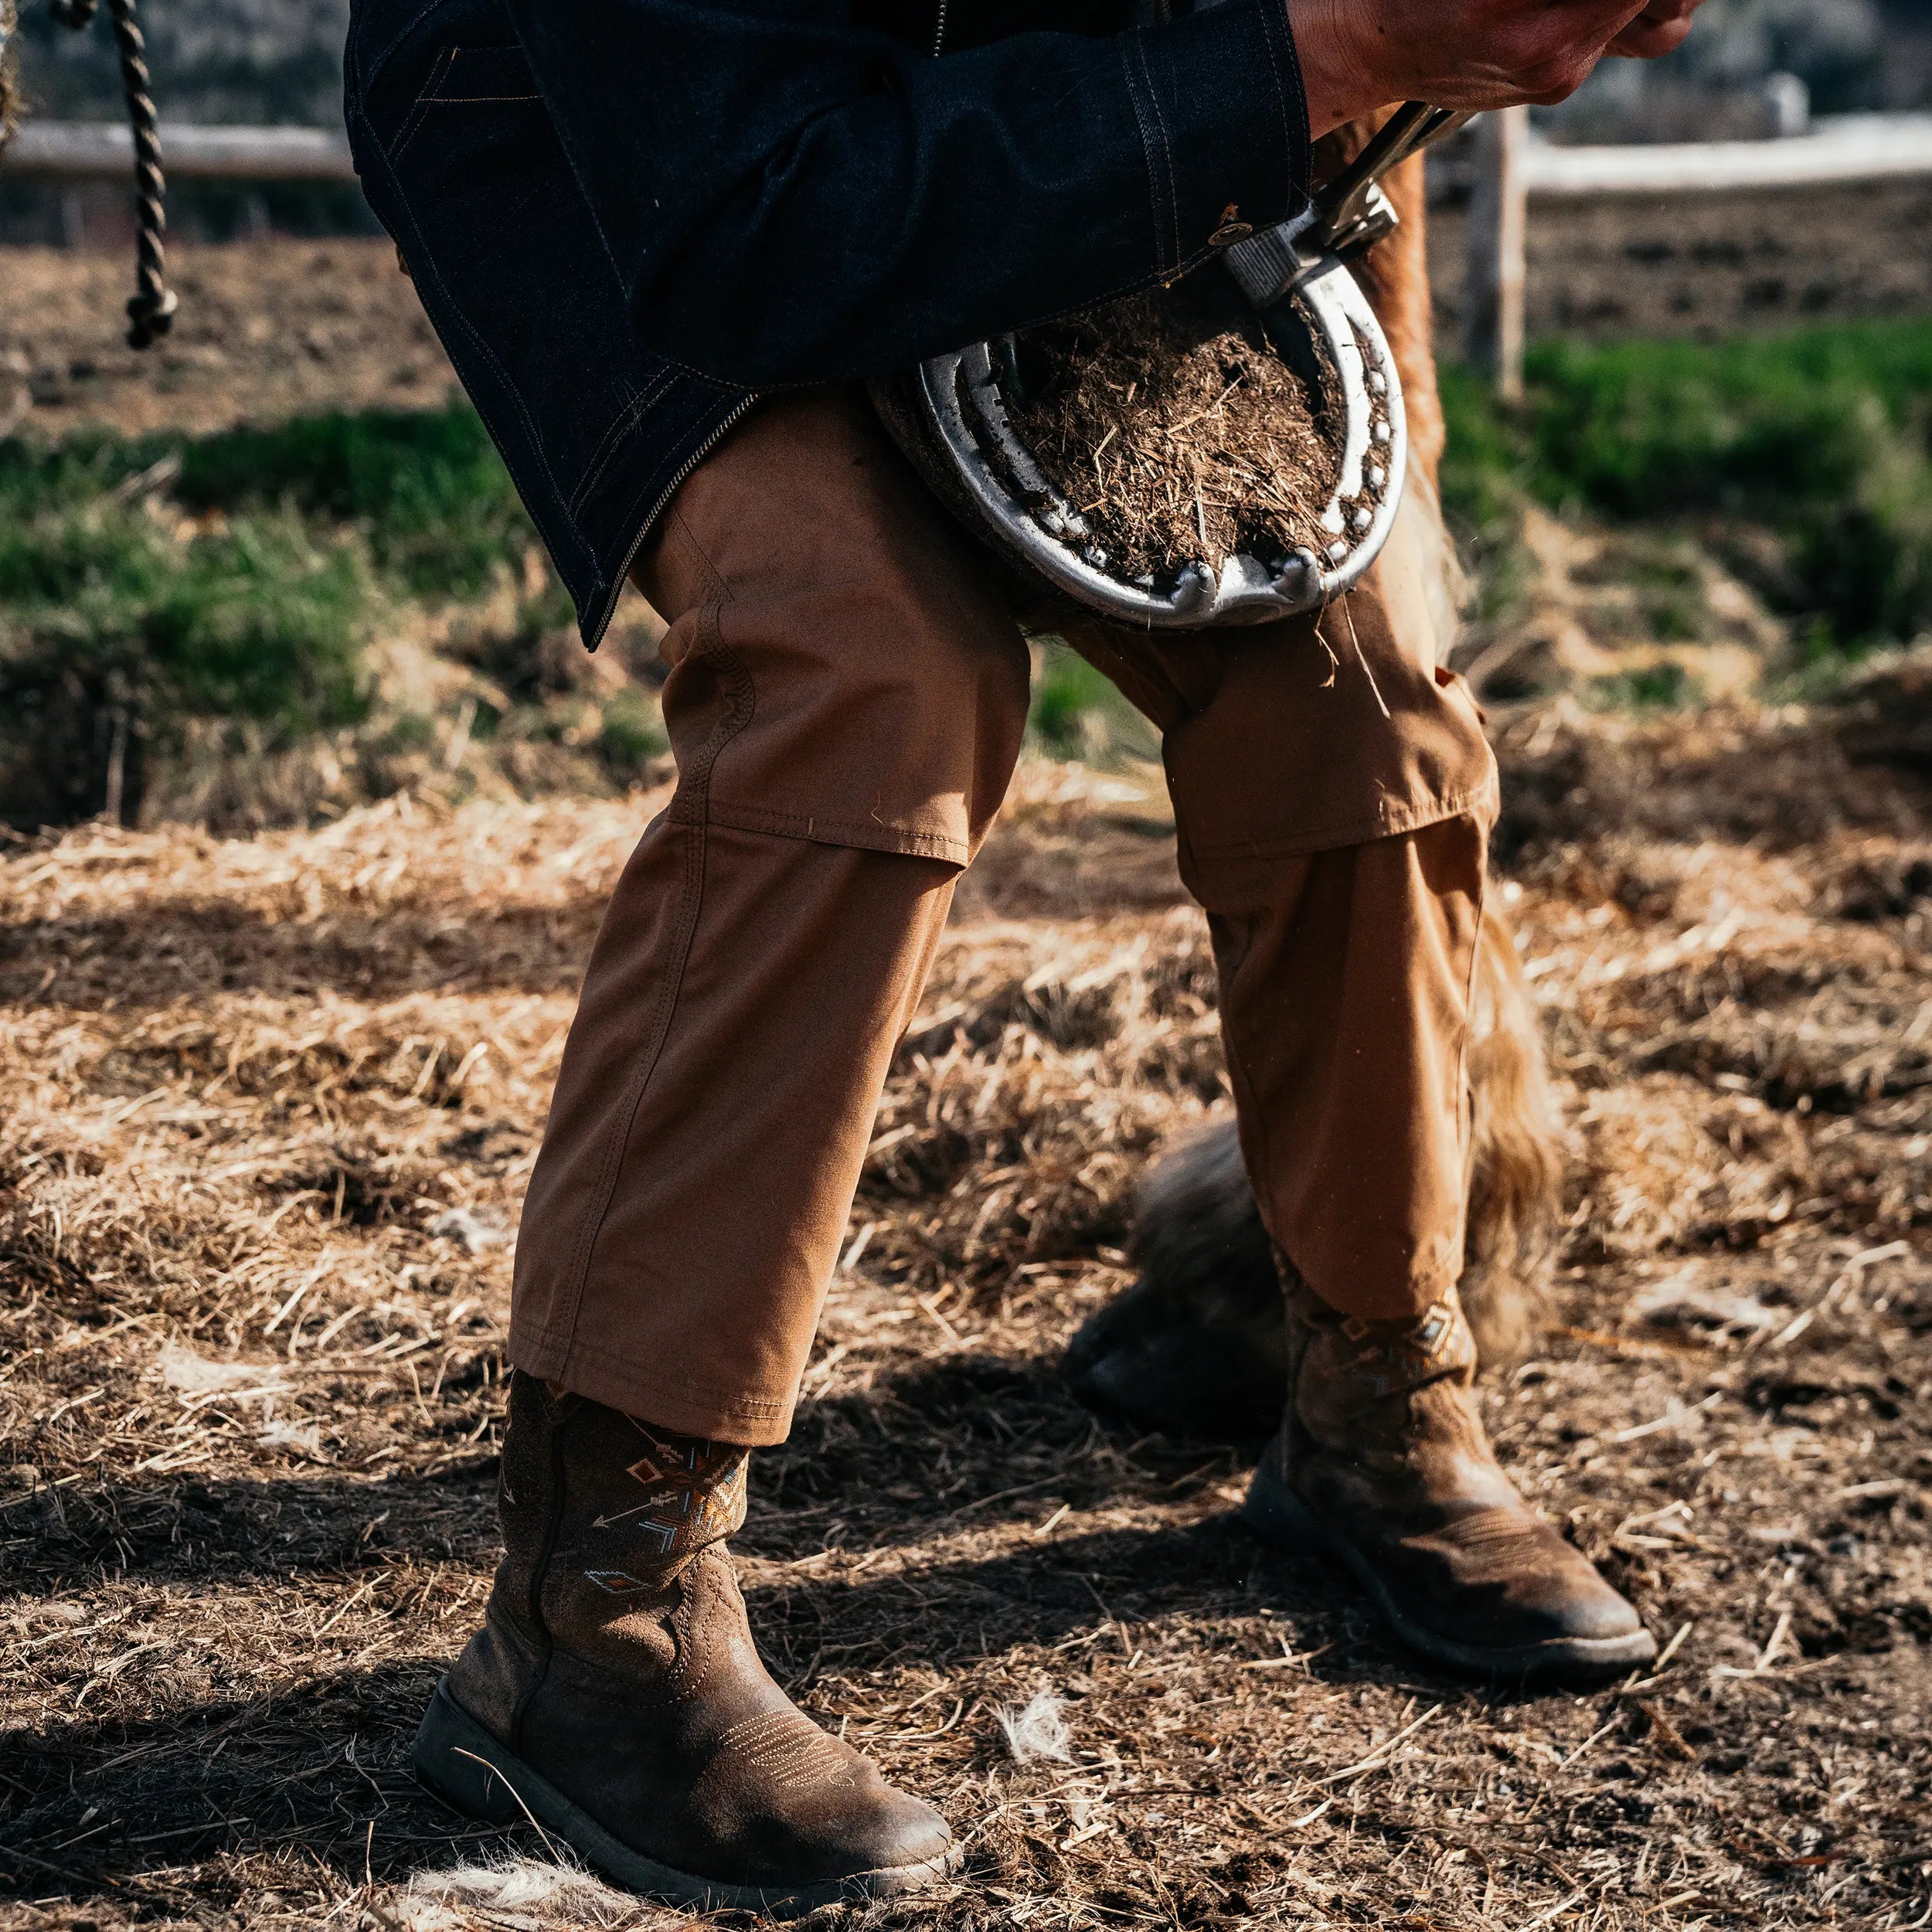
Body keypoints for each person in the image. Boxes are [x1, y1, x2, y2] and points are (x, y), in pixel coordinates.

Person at [343, 0, 1704, 1910]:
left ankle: (1377, 1389)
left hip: (1073, 56)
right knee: (864, 674)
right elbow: (761, 214)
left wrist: (1406, 85)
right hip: (657, 114)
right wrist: (1313, 57)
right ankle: (600, 1612)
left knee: (1358, 687)